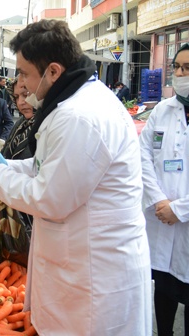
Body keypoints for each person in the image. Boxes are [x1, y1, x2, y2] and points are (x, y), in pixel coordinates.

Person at [0, 19, 151, 334]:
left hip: (94, 278)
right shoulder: (73, 104)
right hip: (77, 266)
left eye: (24, 73)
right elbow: (49, 167)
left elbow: (51, 197)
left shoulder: (80, 117)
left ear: (54, 72)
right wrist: (8, 167)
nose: (19, 83)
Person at [140, 43, 189, 336]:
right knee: (165, 287)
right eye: (177, 67)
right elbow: (143, 156)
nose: (180, 73)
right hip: (161, 218)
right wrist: (160, 201)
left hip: (182, 220)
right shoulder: (162, 110)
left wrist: (179, 209)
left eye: (187, 68)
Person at [0, 78, 34, 160]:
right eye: (16, 97)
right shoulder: (21, 122)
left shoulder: (48, 125)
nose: (20, 102)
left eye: (26, 94)